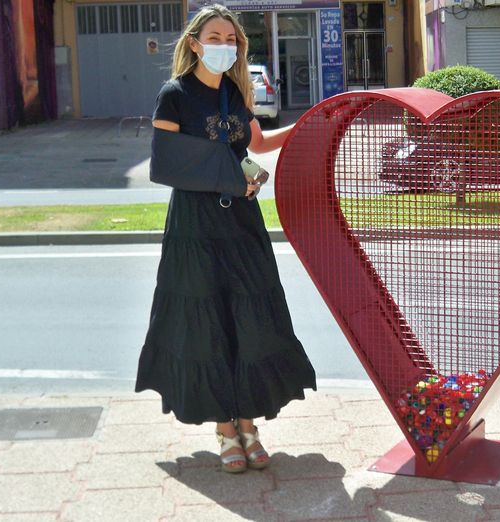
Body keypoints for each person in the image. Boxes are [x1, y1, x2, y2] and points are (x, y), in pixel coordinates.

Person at [136, 4, 316, 474]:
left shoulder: (236, 93)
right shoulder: (173, 95)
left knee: (248, 318)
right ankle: (224, 429)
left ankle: (249, 423)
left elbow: (256, 145)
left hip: (241, 223)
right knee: (208, 321)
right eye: (214, 37)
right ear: (194, 43)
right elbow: (167, 164)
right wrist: (228, 176)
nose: (224, 46)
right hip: (195, 227)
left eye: (231, 39)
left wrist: (312, 122)